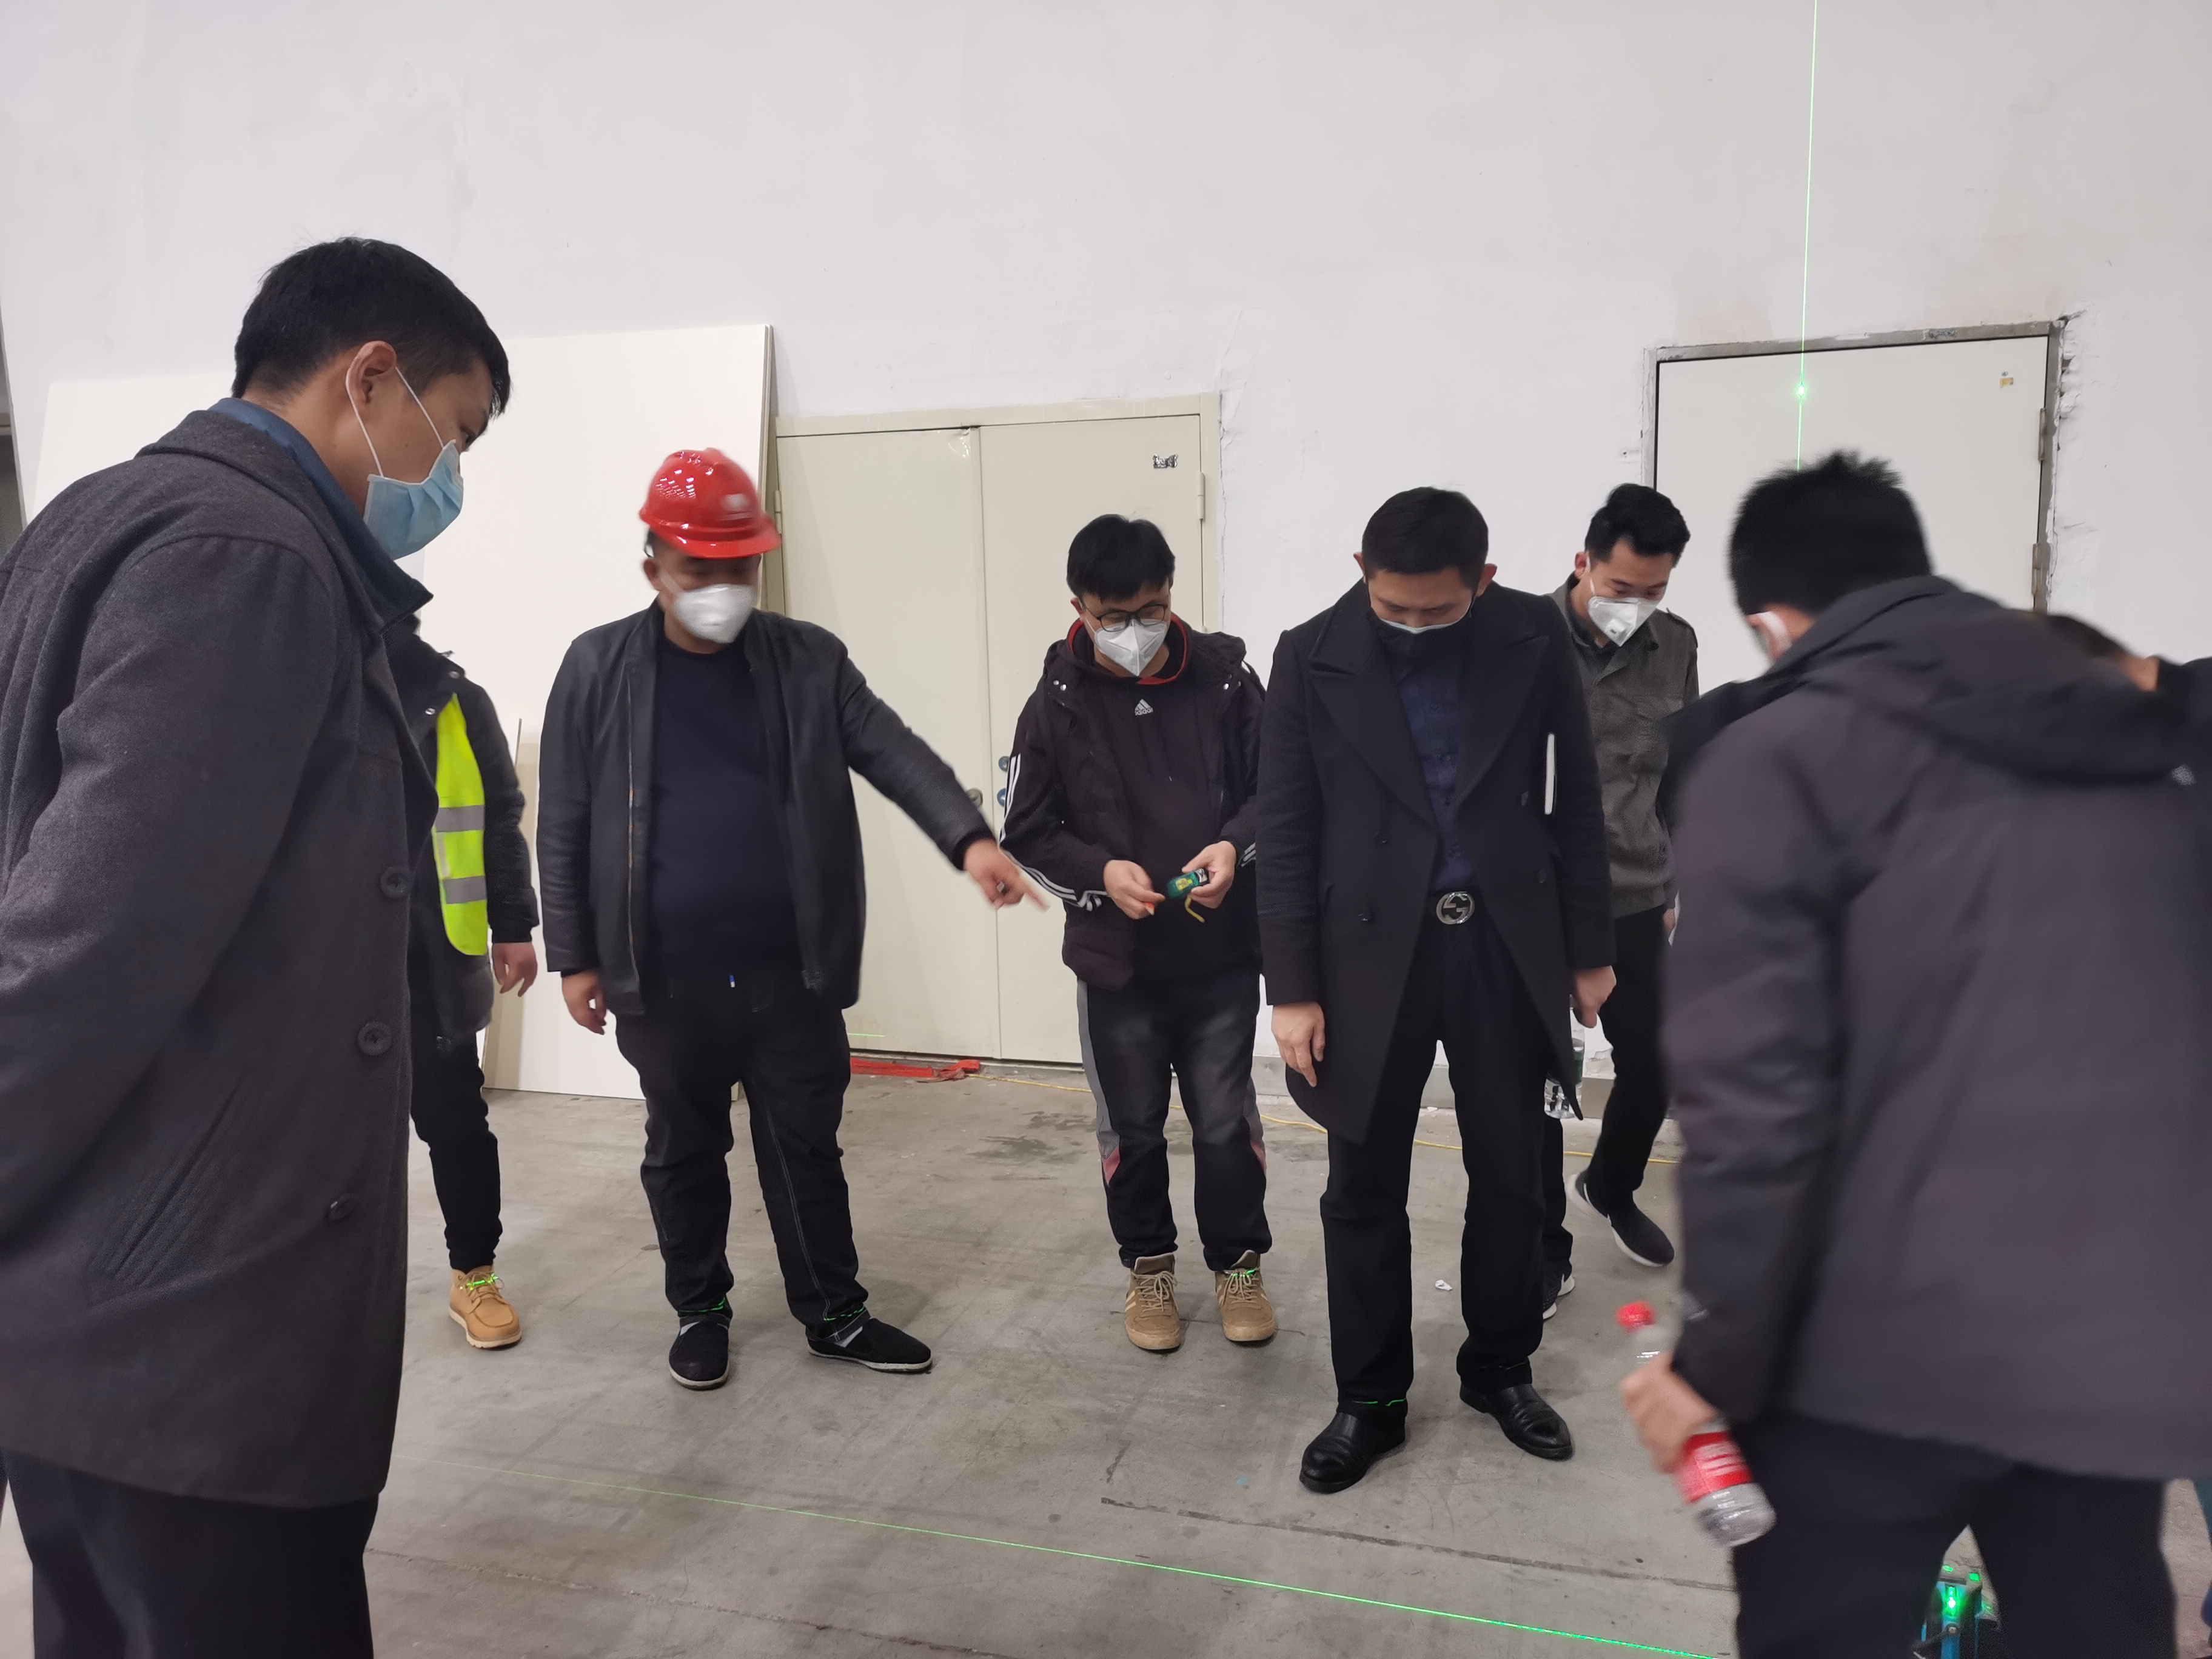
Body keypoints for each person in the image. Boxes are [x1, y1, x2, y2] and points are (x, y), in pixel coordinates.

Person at [0, 237, 506, 1655]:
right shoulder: (248, 559)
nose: (448, 478)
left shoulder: (97, 515)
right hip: (189, 1336)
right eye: (454, 434)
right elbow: (85, 948)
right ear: (371, 379)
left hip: (91, 1321)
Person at [1622, 454, 2212, 1658]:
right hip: (2108, 1349)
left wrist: (1711, 1365)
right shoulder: (2138, 738)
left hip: (1870, 1365)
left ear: (1770, 623)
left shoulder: (1779, 759)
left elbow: (1756, 1115)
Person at [538, 448, 1039, 1392]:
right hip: (663, 978)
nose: (723, 588)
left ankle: (834, 1314)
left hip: (791, 973)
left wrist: (970, 839)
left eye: (741, 568)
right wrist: (574, 956)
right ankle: (700, 1311)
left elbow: (893, 750)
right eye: (701, 570)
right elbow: (564, 817)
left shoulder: (809, 661)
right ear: (653, 568)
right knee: (684, 1152)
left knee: (805, 1148)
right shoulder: (598, 668)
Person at [1258, 486, 1615, 1494]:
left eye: (1438, 610)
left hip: (1503, 943)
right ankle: (1369, 1399)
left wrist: (1587, 948)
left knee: (1513, 1176)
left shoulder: (1532, 636)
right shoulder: (1309, 653)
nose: (1413, 624)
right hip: (1367, 954)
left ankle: (1499, 1369)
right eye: (1392, 606)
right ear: (1360, 571)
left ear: (1484, 581)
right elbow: (1285, 826)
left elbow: (1576, 798)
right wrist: (1292, 988)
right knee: (1361, 1187)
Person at [1001, 514, 1274, 1353]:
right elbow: (1028, 831)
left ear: (1171, 595)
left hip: (1220, 960)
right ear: (1079, 609)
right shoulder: (1056, 703)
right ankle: (1150, 1269)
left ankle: (1238, 1267)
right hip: (1118, 968)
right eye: (1112, 617)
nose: (1134, 632)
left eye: (1151, 611)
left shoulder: (1227, 679)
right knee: (1133, 1127)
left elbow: (1280, 791)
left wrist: (1233, 845)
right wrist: (1101, 874)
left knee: (1225, 1123)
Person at [1543, 484, 1697, 1296]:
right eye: (1619, 588)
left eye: (1654, 591)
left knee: (1658, 1059)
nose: (1634, 607)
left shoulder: (1676, 645)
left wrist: (1679, 879)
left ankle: (1610, 1185)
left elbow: (1680, 770)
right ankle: (1542, 1245)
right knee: (1537, 1083)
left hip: (1636, 891)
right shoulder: (1523, 640)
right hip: (1538, 898)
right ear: (1584, 562)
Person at [387, 618, 540, 1349]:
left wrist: (513, 924)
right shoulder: (293, 681)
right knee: (321, 1133)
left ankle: (474, 1274)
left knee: (453, 1121)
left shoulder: (456, 700)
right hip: (323, 957)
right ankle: (326, 1286)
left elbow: (500, 818)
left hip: (429, 953)